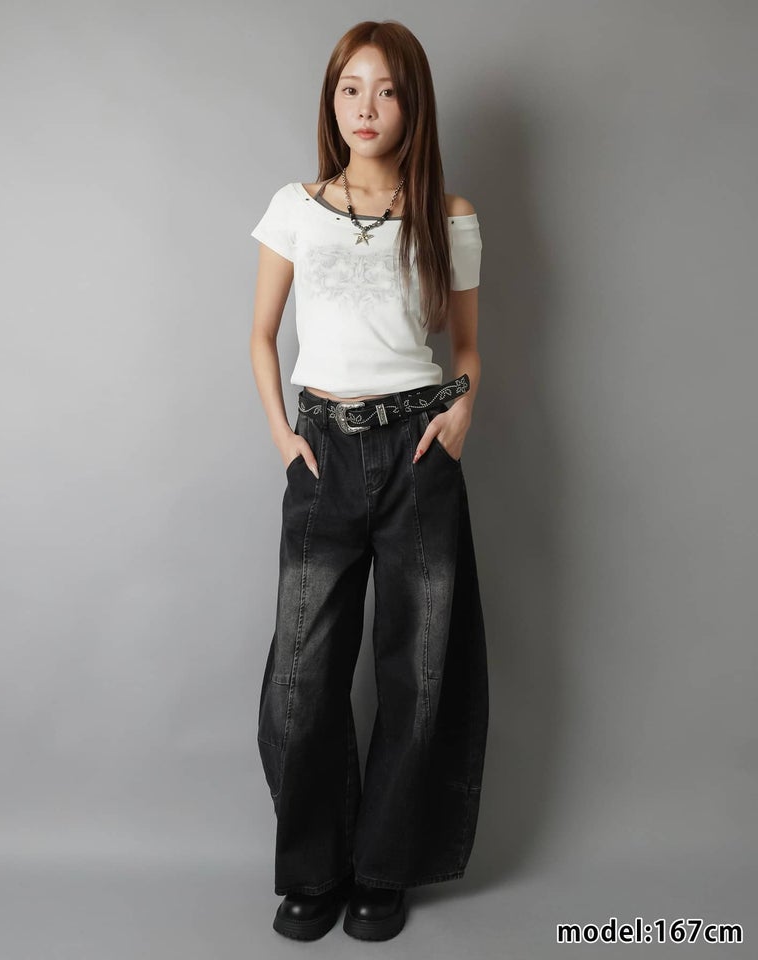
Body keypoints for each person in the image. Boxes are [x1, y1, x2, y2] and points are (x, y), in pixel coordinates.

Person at [249, 19, 489, 943]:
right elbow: (260, 335)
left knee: (417, 673)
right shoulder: (296, 205)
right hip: (322, 451)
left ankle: (383, 870)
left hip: (418, 452)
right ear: (332, 98)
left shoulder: (447, 213)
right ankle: (315, 868)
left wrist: (460, 415)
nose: (367, 107)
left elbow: (466, 348)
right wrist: (283, 438)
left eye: (387, 90)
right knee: (301, 682)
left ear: (412, 105)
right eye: (351, 87)